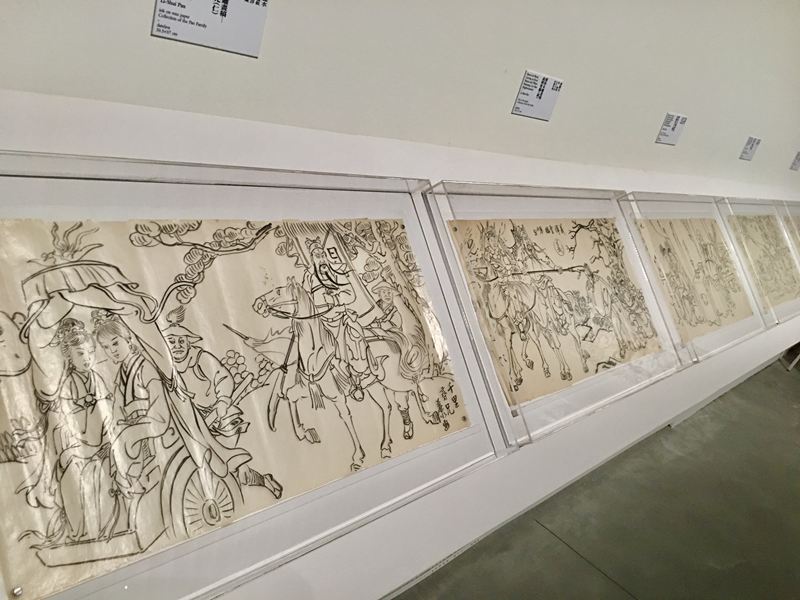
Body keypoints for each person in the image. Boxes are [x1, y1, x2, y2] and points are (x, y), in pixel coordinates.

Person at [163, 310, 283, 499]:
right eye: (172, 342)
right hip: (196, 421)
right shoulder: (169, 369)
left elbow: (223, 377)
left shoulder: (201, 358)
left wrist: (223, 400)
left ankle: (260, 482)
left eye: (181, 341)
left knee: (229, 465)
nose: (177, 346)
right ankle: (259, 480)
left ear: (188, 342)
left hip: (221, 416)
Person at [50, 318, 115, 542]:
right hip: (80, 442)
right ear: (69, 356)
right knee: (77, 480)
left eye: (90, 353)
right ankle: (83, 530)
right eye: (80, 354)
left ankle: (108, 524)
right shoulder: (68, 384)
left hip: (101, 439)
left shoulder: (97, 378)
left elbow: (108, 406)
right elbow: (65, 416)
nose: (87, 358)